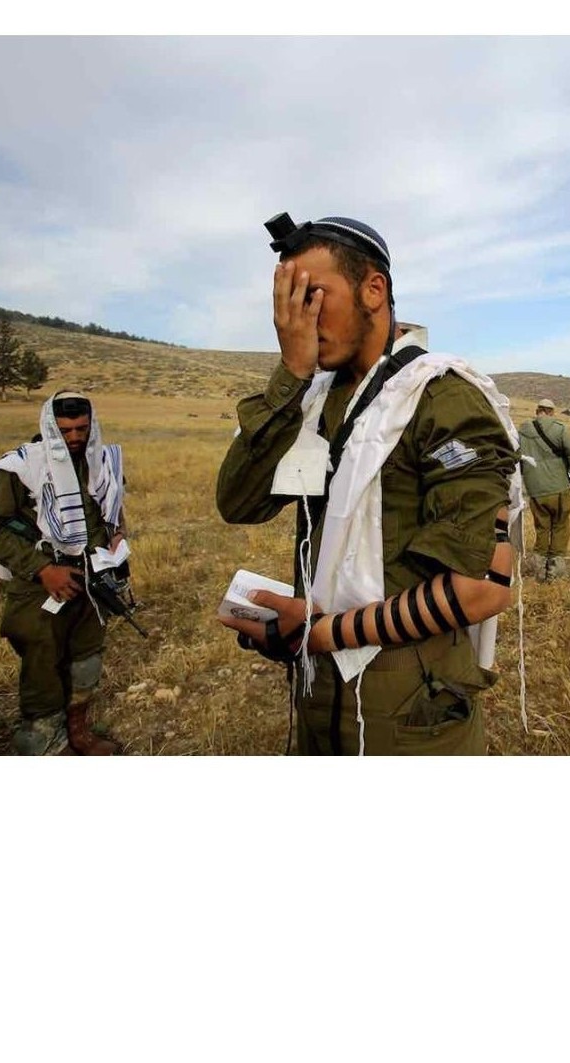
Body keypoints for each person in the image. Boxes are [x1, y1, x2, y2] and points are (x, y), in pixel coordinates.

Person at [216, 212, 522, 756]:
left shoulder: (440, 397)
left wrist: (322, 632)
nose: (300, 320)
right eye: (289, 304)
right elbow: (239, 502)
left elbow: (482, 587)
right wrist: (291, 375)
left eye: (313, 297)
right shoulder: (315, 400)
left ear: (373, 290)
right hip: (318, 694)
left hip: (411, 709)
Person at [0, 390, 128, 753]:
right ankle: (46, 742)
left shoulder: (101, 462)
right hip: (41, 586)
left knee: (86, 659)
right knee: (42, 664)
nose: (75, 437)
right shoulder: (21, 468)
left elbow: (111, 511)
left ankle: (78, 732)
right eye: (65, 430)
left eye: (82, 428)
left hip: (92, 582)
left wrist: (117, 537)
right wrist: (44, 569)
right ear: (50, 427)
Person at [517, 398, 570, 580]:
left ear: (537, 411)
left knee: (542, 528)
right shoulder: (560, 429)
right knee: (560, 526)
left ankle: (539, 570)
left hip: (535, 489)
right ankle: (555, 571)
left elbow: (517, 461)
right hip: (558, 487)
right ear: (551, 412)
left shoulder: (522, 431)